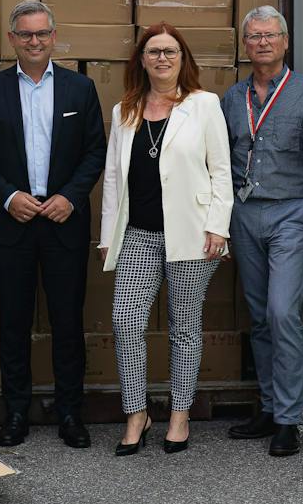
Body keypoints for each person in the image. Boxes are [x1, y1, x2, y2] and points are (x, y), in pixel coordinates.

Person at [0, 0, 106, 448]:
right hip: (14, 223)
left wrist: (71, 196)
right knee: (14, 322)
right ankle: (15, 414)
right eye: (25, 34)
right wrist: (8, 196)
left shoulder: (79, 89)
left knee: (68, 322)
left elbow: (94, 152)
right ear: (12, 39)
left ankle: (70, 413)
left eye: (42, 33)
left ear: (53, 36)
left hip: (64, 220)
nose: (34, 41)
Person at [100, 24, 233, 455]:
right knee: (125, 321)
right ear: (141, 59)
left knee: (185, 327)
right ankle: (136, 411)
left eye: (170, 51)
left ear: (182, 58)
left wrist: (218, 225)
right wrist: (108, 236)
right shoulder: (126, 110)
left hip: (192, 233)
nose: (162, 58)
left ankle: (180, 412)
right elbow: (113, 180)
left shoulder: (204, 105)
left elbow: (221, 171)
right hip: (138, 234)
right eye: (154, 51)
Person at [221, 6, 303, 457]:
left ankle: (288, 418)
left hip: (291, 212)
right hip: (244, 214)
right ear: (244, 45)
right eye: (253, 36)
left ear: (286, 42)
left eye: (270, 35)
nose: (262, 42)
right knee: (260, 315)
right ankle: (267, 408)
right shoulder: (230, 98)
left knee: (284, 312)